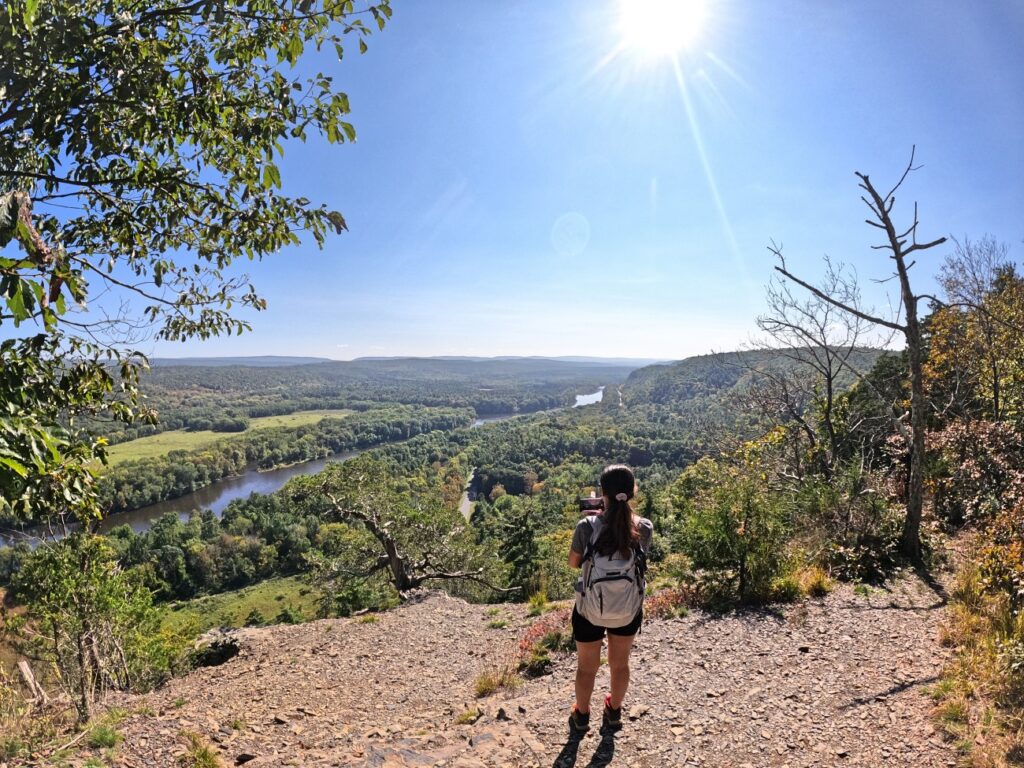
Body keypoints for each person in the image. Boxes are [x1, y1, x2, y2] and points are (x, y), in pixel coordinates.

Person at [567, 463, 653, 735]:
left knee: (586, 668)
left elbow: (573, 563)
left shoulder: (587, 527)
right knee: (620, 664)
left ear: (602, 493)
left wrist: (594, 522)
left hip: (589, 610)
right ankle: (614, 711)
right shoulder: (644, 527)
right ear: (632, 491)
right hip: (627, 609)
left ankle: (582, 715)